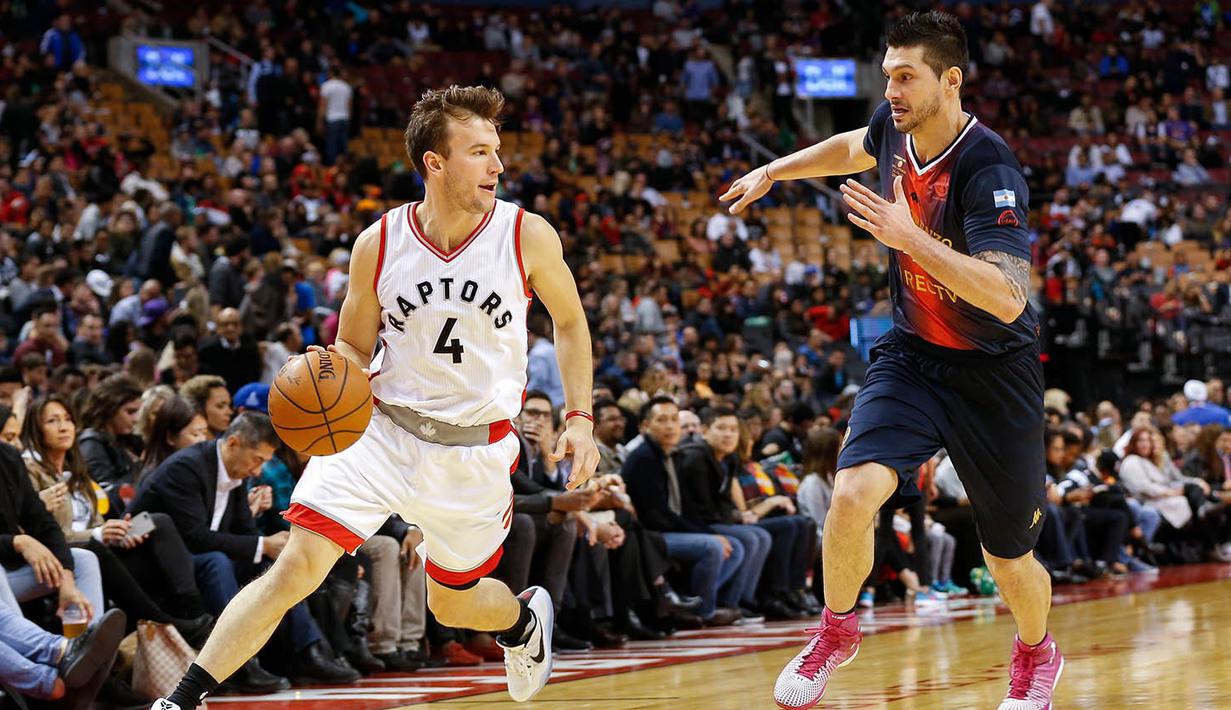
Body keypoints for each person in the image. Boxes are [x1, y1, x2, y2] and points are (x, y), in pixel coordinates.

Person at [154, 85, 599, 710]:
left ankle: (523, 623)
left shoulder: (526, 236)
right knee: (296, 568)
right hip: (380, 432)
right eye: (479, 152)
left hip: (472, 453)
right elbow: (355, 351)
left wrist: (579, 417)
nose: (498, 166)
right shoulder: (380, 242)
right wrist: (332, 377)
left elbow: (572, 324)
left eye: (497, 151)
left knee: (453, 601)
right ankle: (180, 700)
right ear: (434, 163)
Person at [723, 11, 1062, 709]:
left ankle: (1034, 653)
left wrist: (910, 238)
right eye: (886, 76)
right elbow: (854, 145)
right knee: (850, 494)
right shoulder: (891, 129)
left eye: (905, 77)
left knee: (1006, 558)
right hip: (911, 356)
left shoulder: (985, 164)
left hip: (994, 373)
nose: (891, 91)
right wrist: (773, 170)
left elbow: (1005, 296)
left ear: (950, 80)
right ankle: (835, 631)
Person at [132, 413, 357, 693]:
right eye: (257, 459)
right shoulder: (186, 467)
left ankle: (308, 651)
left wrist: (272, 548)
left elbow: (244, 530)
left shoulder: (233, 471)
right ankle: (239, 663)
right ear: (234, 443)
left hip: (201, 559)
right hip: (159, 563)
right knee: (219, 562)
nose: (258, 471)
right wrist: (263, 544)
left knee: (279, 567)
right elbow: (195, 537)